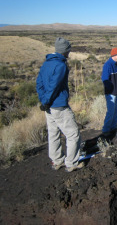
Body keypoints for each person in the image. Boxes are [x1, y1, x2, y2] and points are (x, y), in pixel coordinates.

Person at [36, 37, 84, 172]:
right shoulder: (61, 65)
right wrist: (46, 101)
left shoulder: (46, 63)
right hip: (59, 106)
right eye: (68, 50)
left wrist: (44, 101)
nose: (69, 53)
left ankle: (57, 161)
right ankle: (71, 163)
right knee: (73, 134)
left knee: (53, 133)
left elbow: (39, 83)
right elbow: (54, 86)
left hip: (49, 107)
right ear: (65, 51)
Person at [101, 47, 117, 138]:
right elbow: (104, 79)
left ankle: (113, 127)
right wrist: (110, 89)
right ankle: (106, 130)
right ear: (113, 55)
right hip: (111, 92)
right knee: (110, 111)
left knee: (116, 111)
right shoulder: (108, 65)